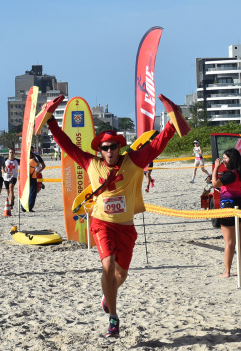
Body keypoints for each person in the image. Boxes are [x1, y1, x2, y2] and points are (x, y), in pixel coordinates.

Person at [44, 93, 186, 338]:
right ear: (99, 150)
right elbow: (67, 145)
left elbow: (158, 143)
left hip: (126, 228)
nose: (109, 151)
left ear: (120, 147)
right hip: (101, 224)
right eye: (105, 148)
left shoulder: (134, 161)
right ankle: (113, 318)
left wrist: (173, 121)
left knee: (120, 275)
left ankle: (107, 296)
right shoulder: (91, 164)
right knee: (107, 265)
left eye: (113, 147)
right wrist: (51, 122)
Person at [211, 149, 241, 277]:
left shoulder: (231, 174)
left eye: (225, 158)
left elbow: (215, 183)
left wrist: (216, 168)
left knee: (229, 242)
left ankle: (227, 271)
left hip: (229, 206)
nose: (223, 161)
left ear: (231, 159)